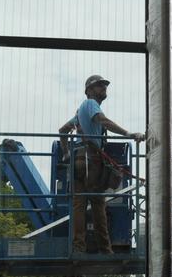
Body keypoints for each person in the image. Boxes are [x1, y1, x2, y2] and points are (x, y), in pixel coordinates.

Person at [59, 74, 144, 254]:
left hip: (79, 161)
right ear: (89, 91)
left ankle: (78, 248)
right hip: (91, 161)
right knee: (98, 206)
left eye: (104, 85)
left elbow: (63, 131)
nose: (103, 88)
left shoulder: (79, 113)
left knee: (80, 206)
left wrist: (66, 153)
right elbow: (103, 121)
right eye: (99, 85)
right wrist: (129, 134)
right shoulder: (90, 104)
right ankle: (105, 249)